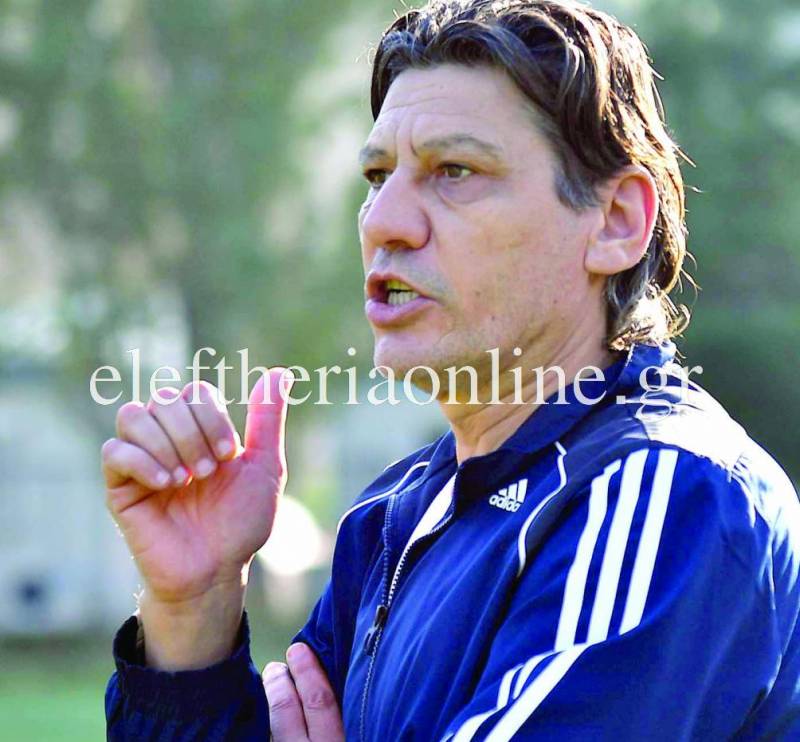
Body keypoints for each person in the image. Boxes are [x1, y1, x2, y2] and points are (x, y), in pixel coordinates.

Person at [103, 1, 800, 739]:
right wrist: (195, 609)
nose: (383, 221)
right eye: (378, 174)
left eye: (455, 171)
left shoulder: (664, 494)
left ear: (616, 221)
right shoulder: (392, 515)